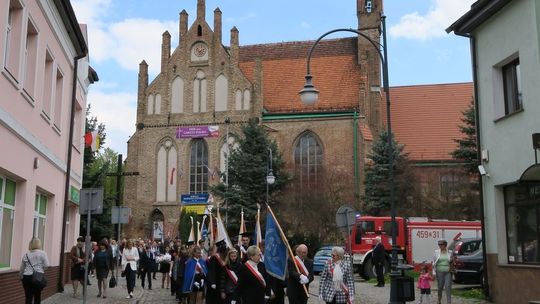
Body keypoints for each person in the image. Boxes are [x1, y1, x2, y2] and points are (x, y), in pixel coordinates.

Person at [20, 238, 49, 304]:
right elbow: (47, 265)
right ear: (39, 244)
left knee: (28, 297)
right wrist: (41, 270)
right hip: (38, 277)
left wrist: (20, 276)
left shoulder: (26, 254)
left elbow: (22, 267)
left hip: (26, 277)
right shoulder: (43, 253)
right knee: (37, 296)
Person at [432, 239, 454, 304]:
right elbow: (433, 262)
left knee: (448, 286)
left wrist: (452, 260)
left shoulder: (450, 252)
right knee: (440, 287)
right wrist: (433, 272)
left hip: (448, 271)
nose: (440, 246)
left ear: (445, 245)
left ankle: (449, 302)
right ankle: (439, 299)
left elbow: (452, 261)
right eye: (439, 244)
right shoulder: (436, 252)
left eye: (441, 244)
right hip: (439, 271)